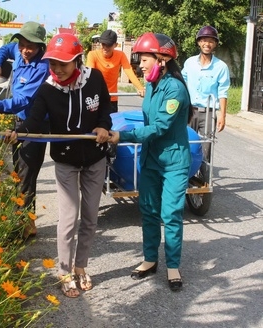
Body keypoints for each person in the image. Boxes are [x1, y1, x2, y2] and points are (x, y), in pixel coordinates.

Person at [5, 33, 112, 298]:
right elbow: (34, 119)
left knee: (89, 217)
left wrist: (103, 126)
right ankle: (64, 271)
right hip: (65, 160)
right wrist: (20, 131)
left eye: (63, 64)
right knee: (68, 219)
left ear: (77, 60)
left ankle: (80, 267)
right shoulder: (48, 88)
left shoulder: (95, 79)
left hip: (95, 158)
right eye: (53, 64)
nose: (57, 70)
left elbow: (105, 112)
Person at [109, 32, 192, 292]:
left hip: (174, 161)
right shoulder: (152, 85)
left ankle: (173, 266)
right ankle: (150, 259)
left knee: (171, 214)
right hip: (151, 159)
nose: (140, 65)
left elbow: (158, 127)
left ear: (163, 59)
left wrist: (121, 136)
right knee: (148, 210)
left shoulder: (175, 89)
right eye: (140, 59)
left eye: (145, 59)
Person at [0, 21, 49, 239]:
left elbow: (22, 100)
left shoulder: (42, 68)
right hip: (19, 121)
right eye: (23, 44)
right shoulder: (17, 50)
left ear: (40, 48)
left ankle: (24, 227)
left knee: (26, 174)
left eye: (31, 47)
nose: (25, 50)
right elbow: (4, 49)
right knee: (18, 172)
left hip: (35, 125)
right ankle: (28, 222)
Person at [182, 25, 230, 159]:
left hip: (208, 113)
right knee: (185, 143)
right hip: (189, 111)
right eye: (204, 40)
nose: (207, 44)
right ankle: (186, 175)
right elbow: (181, 83)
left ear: (215, 44)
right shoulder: (190, 62)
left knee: (206, 146)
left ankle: (204, 177)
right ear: (199, 42)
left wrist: (222, 115)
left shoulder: (221, 67)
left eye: (211, 41)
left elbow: (223, 91)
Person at [86, 29, 145, 113]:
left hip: (112, 98)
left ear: (115, 45)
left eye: (109, 45)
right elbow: (89, 74)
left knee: (112, 123)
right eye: (103, 44)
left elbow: (128, 71)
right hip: (96, 97)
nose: (105, 48)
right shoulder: (93, 55)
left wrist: (140, 88)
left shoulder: (120, 55)